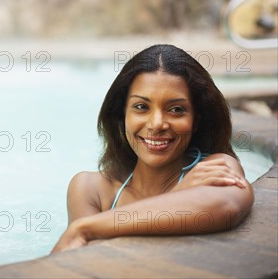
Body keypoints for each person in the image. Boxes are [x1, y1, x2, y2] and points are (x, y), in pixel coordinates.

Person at [51, 44, 254, 253]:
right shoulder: (91, 188)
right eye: (141, 107)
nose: (157, 124)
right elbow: (81, 261)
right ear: (123, 115)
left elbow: (227, 207)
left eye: (176, 110)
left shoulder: (213, 167)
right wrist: (179, 195)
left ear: (196, 120)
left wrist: (83, 228)